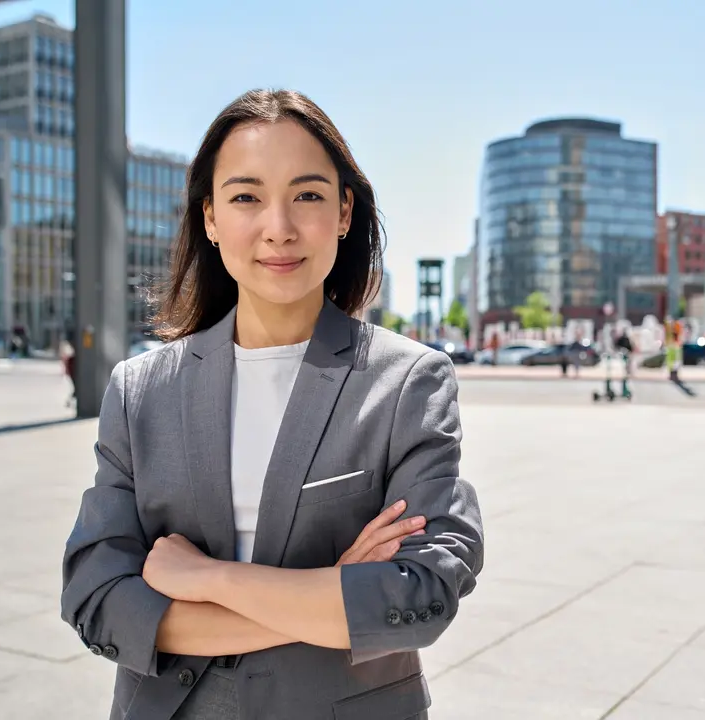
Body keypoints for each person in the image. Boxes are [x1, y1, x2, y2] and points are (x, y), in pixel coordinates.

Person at [60, 89, 484, 720]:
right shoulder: (140, 389)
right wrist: (330, 593)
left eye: (307, 195)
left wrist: (208, 579)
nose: (279, 227)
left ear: (344, 211)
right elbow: (98, 597)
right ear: (209, 217)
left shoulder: (406, 382)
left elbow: (421, 594)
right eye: (245, 197)